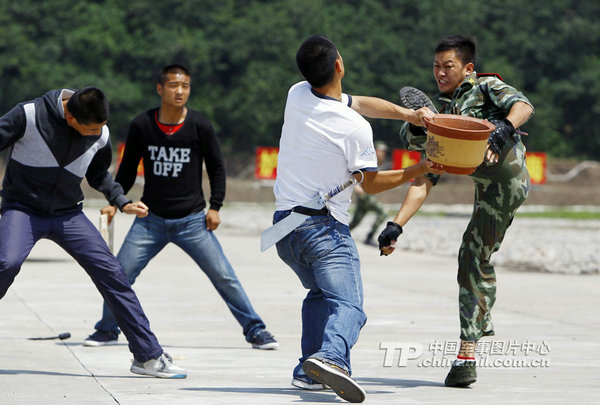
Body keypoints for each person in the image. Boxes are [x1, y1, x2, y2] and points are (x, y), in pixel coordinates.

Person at [273, 35, 441, 403]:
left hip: (284, 229)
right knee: (349, 306)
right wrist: (422, 167)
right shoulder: (353, 128)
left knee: (319, 293)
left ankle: (307, 371)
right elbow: (373, 184)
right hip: (322, 230)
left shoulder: (297, 93)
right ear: (339, 64)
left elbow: (360, 102)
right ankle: (331, 358)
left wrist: (410, 115)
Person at [83, 64, 278, 351]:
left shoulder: (199, 125)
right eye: (174, 85)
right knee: (120, 274)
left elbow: (216, 168)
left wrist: (216, 207)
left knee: (224, 275)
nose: (180, 91)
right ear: (160, 89)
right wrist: (115, 202)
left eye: (185, 86)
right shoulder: (142, 125)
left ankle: (255, 330)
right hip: (150, 220)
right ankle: (107, 329)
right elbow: (126, 170)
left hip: (192, 221)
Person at [378, 35, 534, 387]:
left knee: (472, 256)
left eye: (448, 66)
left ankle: (468, 352)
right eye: (436, 66)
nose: (440, 72)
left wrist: (506, 127)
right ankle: (472, 340)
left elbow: (523, 105)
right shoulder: (444, 124)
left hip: (507, 182)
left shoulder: (485, 87)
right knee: (473, 258)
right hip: (477, 177)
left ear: (467, 68)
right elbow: (424, 180)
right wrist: (395, 225)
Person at [0, 87, 186, 378]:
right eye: (91, 129)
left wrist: (121, 201)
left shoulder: (101, 133)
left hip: (68, 214)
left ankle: (148, 356)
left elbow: (99, 174)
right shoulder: (29, 115)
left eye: (100, 127)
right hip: (22, 209)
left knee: (113, 272)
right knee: (6, 263)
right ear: (70, 117)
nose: (96, 133)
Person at [348, 141, 389, 246]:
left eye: (384, 151)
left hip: (368, 195)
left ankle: (339, 235)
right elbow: (355, 171)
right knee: (383, 213)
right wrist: (356, 186)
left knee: (355, 222)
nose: (382, 153)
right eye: (381, 151)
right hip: (365, 195)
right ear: (375, 150)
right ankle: (369, 236)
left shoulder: (380, 163)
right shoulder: (368, 159)